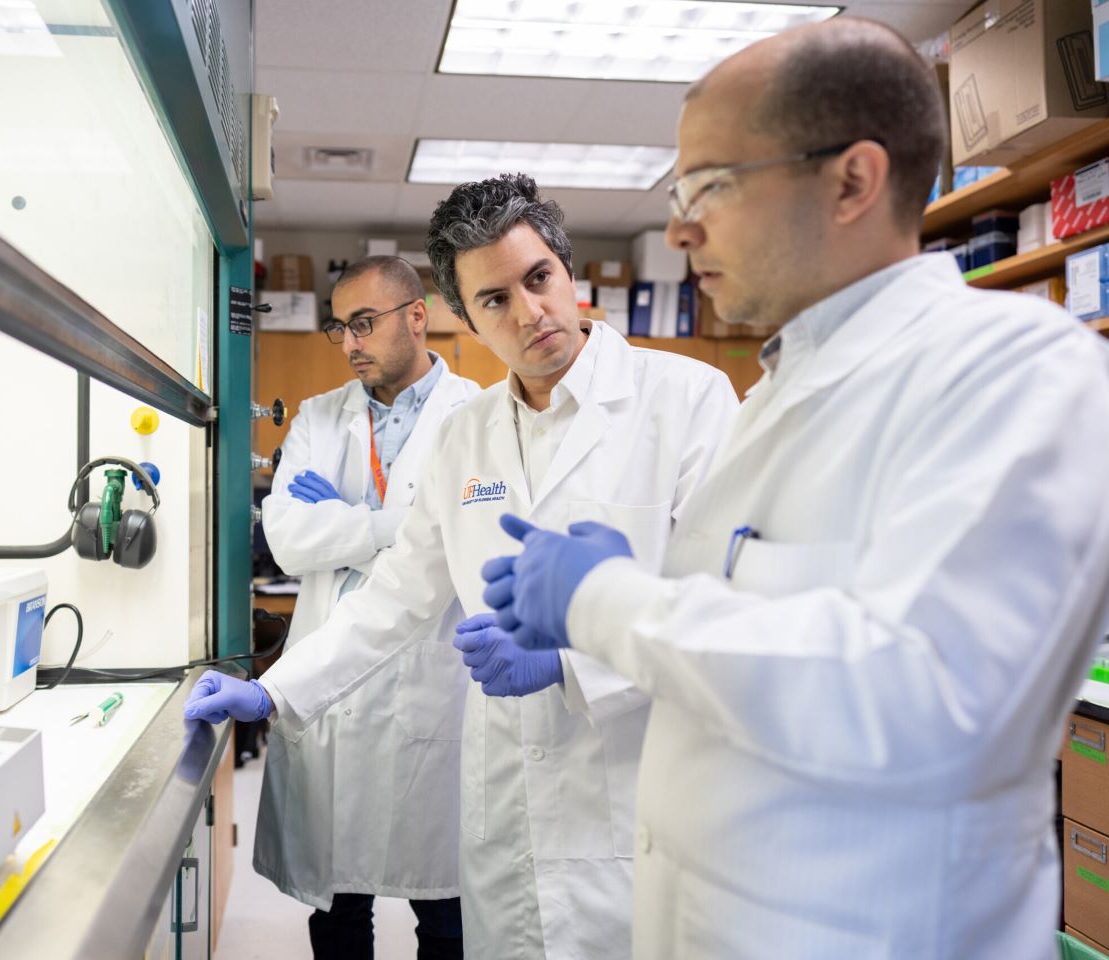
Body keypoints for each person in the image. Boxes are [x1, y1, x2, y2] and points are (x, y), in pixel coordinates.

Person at [482, 18, 1109, 960]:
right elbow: (755, 643)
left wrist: (605, 601)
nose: (681, 227)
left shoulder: (1020, 371)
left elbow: (921, 692)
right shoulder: (780, 393)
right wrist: (634, 598)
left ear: (851, 180)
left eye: (709, 188)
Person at [185, 173, 738, 958]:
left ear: (567, 270)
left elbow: (721, 607)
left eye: (538, 279)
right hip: (504, 817)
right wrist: (273, 691)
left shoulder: (687, 400)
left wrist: (570, 662)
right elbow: (396, 599)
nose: (529, 313)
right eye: (494, 301)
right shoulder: (465, 436)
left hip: (637, 812)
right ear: (464, 318)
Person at [232, 256, 478, 959]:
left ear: (417, 316)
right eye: (341, 328)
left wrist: (344, 522)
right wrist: (394, 526)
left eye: (364, 324)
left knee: (446, 907)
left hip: (430, 682)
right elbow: (285, 535)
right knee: (337, 905)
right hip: (328, 684)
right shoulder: (319, 415)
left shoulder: (476, 417)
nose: (350, 343)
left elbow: (460, 539)